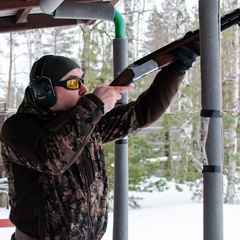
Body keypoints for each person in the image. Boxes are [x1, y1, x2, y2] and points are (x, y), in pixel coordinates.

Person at [0, 43, 199, 240]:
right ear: (45, 91)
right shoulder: (16, 128)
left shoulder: (84, 121)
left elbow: (142, 113)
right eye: (73, 83)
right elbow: (54, 159)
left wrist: (175, 70)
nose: (84, 89)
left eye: (82, 81)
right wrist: (94, 105)